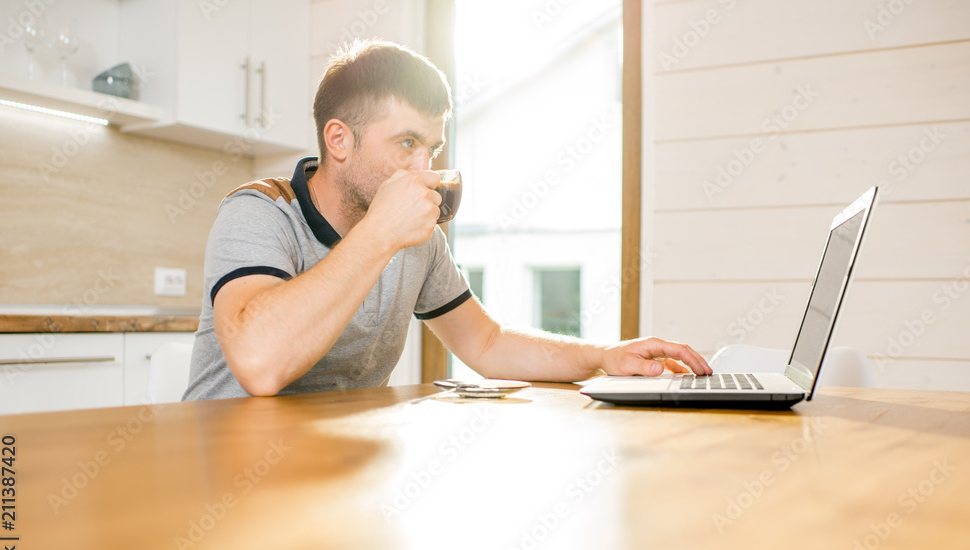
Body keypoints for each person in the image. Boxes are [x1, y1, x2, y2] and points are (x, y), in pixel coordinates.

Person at [183, 40, 711, 401]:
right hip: (229, 474)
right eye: (406, 143)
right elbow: (259, 364)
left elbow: (486, 344)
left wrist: (602, 356)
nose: (425, 169)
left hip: (329, 469)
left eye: (432, 147)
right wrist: (379, 235)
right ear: (339, 139)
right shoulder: (259, 212)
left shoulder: (416, 238)